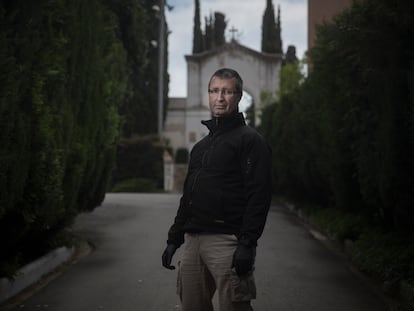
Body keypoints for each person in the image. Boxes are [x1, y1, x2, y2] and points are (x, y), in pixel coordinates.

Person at [162, 68, 272, 311]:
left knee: (234, 306)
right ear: (208, 95)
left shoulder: (251, 141)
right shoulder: (201, 146)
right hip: (193, 243)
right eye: (214, 91)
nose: (220, 97)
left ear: (238, 96)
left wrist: (247, 244)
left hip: (227, 242)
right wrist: (174, 239)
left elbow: (259, 196)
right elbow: (188, 196)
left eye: (227, 91)